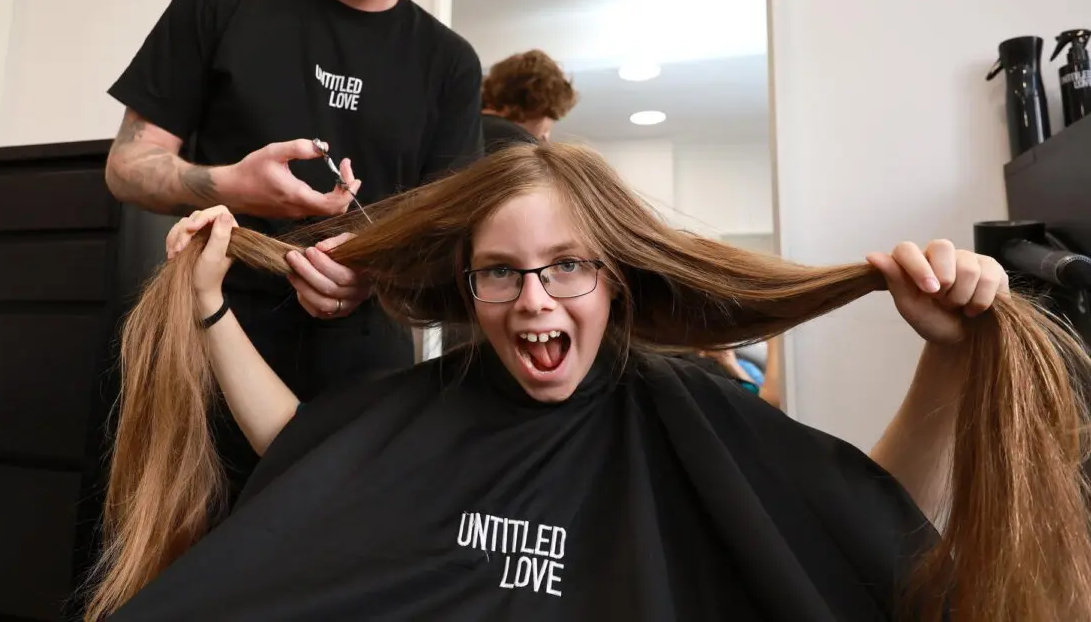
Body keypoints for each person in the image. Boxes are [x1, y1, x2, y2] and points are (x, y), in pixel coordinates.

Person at [86, 143, 1091, 622]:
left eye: (569, 265)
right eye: (503, 271)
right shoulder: (435, 409)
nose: (536, 301)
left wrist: (948, 358)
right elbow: (312, 458)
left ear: (614, 275)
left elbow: (861, 532)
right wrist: (211, 308)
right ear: (468, 283)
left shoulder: (686, 414)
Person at [101, 0, 482, 500]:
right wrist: (231, 185)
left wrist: (374, 267)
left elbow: (451, 246)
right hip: (201, 362)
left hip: (362, 386)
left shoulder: (449, 66)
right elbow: (127, 164)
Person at [480, 49, 578, 151]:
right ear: (541, 108)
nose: (545, 136)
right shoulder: (513, 144)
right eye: (546, 129)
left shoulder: (470, 122)